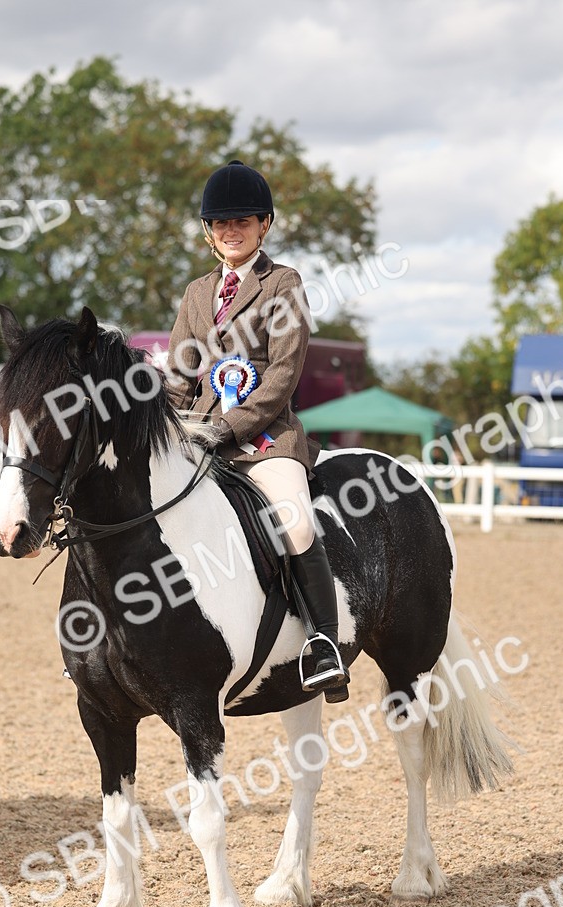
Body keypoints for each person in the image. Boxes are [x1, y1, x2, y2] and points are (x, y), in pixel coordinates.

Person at [164, 159, 349, 702]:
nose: (231, 231)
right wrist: (168, 426)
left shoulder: (283, 284)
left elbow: (282, 376)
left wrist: (226, 428)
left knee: (294, 522)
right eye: (221, 223)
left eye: (243, 221)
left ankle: (323, 643)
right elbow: (178, 375)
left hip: (266, 440)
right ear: (207, 231)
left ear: (265, 224)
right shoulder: (197, 295)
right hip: (200, 438)